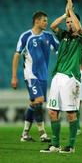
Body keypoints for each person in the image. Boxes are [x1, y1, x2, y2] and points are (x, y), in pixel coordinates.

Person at [40, 0, 82, 153]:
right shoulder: (64, 36)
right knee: (53, 111)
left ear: (76, 22)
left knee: (70, 113)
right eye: (67, 23)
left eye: (70, 22)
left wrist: (71, 11)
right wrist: (65, 14)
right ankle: (55, 144)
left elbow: (79, 28)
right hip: (57, 77)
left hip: (71, 78)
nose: (68, 24)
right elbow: (53, 26)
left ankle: (71, 146)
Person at [11, 11, 59, 142]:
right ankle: (42, 133)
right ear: (36, 21)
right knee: (39, 101)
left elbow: (60, 52)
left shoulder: (48, 36)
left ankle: (25, 134)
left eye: (46, 20)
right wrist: (14, 76)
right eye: (44, 20)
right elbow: (16, 55)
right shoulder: (26, 36)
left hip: (43, 76)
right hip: (31, 75)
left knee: (34, 103)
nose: (46, 23)